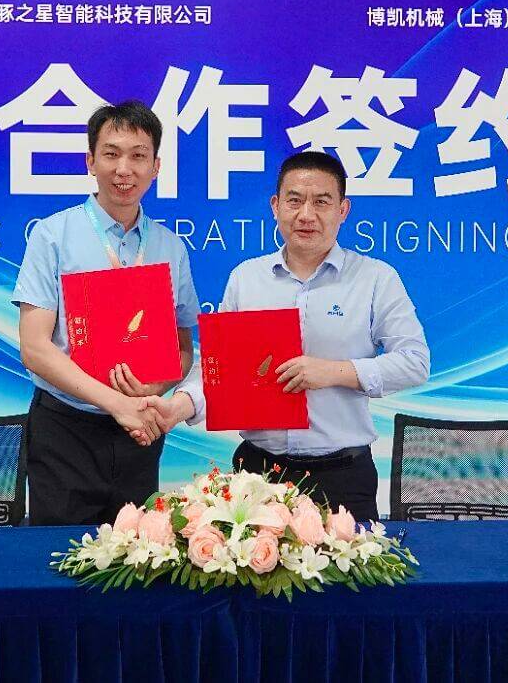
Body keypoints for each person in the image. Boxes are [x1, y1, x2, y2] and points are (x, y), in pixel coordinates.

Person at [145, 150, 429, 521]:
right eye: (294, 201)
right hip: (258, 475)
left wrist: (333, 372)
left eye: (321, 202)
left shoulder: (375, 278)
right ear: (275, 206)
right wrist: (178, 407)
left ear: (343, 210)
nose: (306, 215)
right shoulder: (246, 278)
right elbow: (220, 370)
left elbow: (414, 362)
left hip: (342, 476)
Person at [13, 100, 198, 525]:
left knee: (140, 554)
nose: (124, 169)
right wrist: (115, 403)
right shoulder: (53, 235)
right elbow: (34, 348)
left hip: (140, 430)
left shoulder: (170, 247)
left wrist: (154, 386)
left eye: (138, 156)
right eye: (111, 154)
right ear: (90, 161)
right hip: (65, 431)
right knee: (60, 556)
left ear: (156, 166)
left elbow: (183, 347)